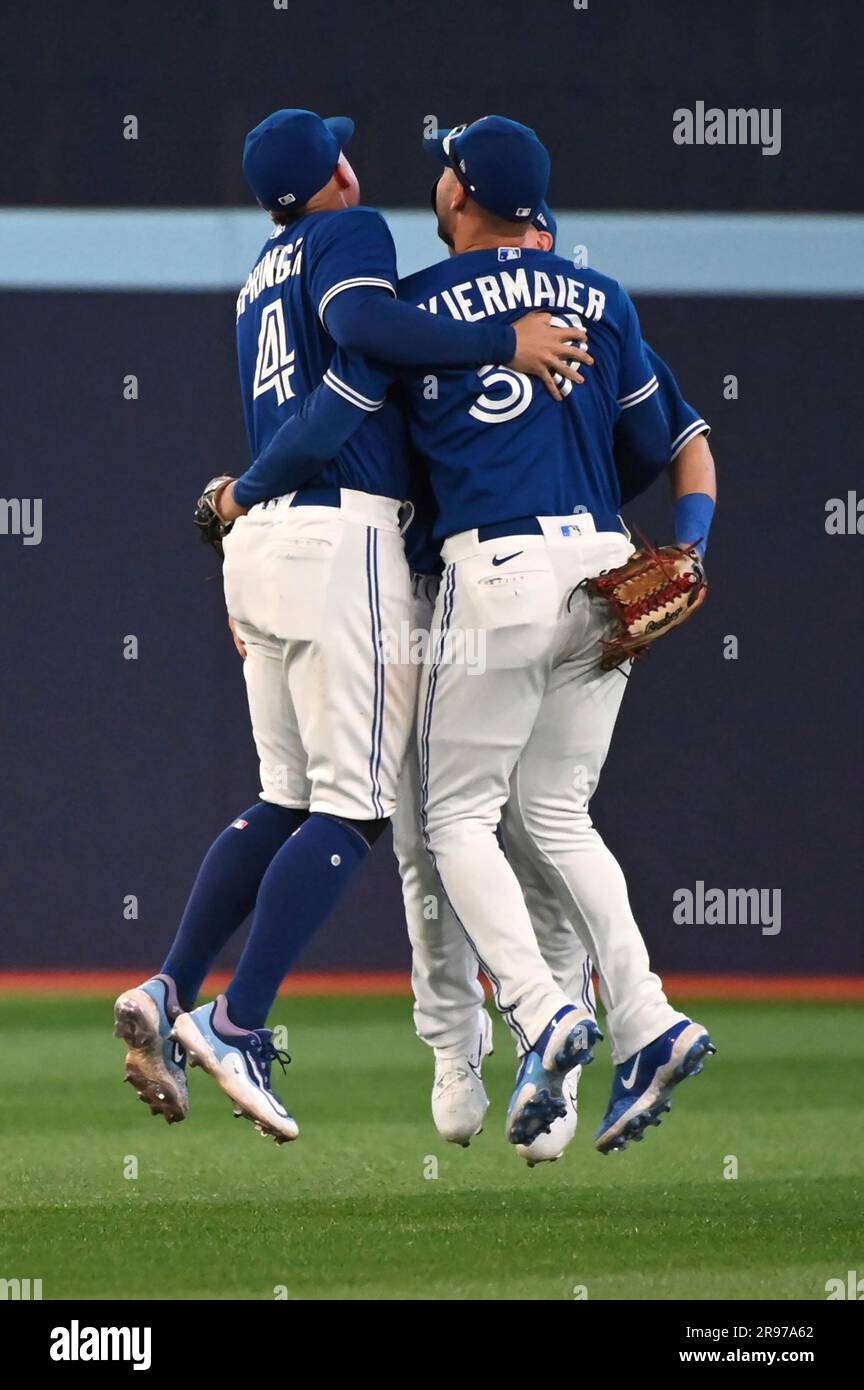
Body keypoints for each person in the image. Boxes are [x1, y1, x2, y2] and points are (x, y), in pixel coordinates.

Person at [220, 116, 718, 1155]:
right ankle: (643, 1019)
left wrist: (246, 497)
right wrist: (693, 549)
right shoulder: (599, 295)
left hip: (477, 575)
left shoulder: (410, 306)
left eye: (446, 165)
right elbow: (677, 439)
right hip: (598, 562)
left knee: (444, 822)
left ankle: (541, 1018)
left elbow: (331, 413)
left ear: (457, 196)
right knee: (554, 817)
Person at [113, 109, 589, 1145]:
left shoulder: (257, 277)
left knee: (284, 796)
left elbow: (333, 387)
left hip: (265, 545)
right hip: (340, 542)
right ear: (336, 170)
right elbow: (368, 336)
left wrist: (243, 501)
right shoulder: (352, 231)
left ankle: (166, 984)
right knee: (356, 811)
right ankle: (236, 1022)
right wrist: (501, 339)